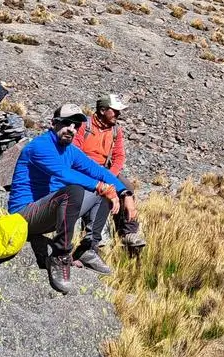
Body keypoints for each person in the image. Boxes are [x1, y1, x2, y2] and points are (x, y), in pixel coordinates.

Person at [8, 103, 137, 294]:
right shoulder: (40, 146)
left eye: (76, 125)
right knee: (76, 190)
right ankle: (60, 256)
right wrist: (101, 186)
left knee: (100, 188)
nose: (72, 129)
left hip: (47, 213)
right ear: (53, 123)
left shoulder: (70, 150)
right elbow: (63, 174)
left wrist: (125, 193)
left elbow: (98, 170)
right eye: (66, 123)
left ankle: (88, 248)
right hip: (24, 215)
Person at [73, 92, 146, 251]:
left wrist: (110, 175)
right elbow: (74, 154)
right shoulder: (84, 125)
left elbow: (119, 157)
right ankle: (91, 238)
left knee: (127, 187)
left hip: (106, 170)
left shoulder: (116, 130)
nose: (118, 114)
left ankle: (128, 233)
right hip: (84, 170)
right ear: (102, 110)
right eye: (114, 111)